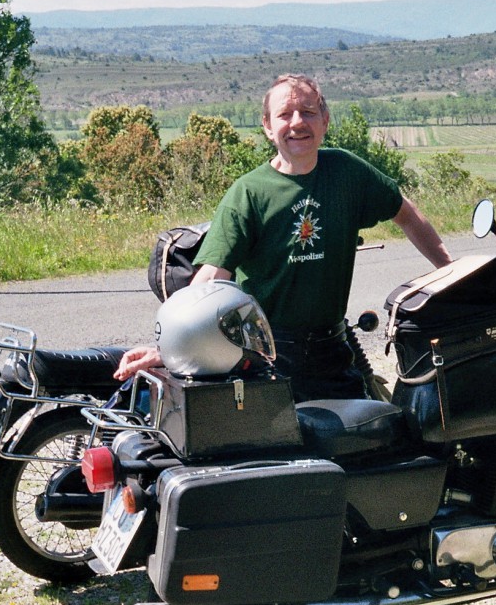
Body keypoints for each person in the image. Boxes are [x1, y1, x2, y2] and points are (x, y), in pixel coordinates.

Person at [115, 74, 452, 400]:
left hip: (333, 352)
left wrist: (451, 274)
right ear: (267, 126)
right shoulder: (249, 193)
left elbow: (406, 214)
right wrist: (172, 348)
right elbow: (210, 279)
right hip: (266, 356)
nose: (297, 123)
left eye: (307, 112)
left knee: (362, 442)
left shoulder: (348, 173)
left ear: (325, 120)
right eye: (285, 114)